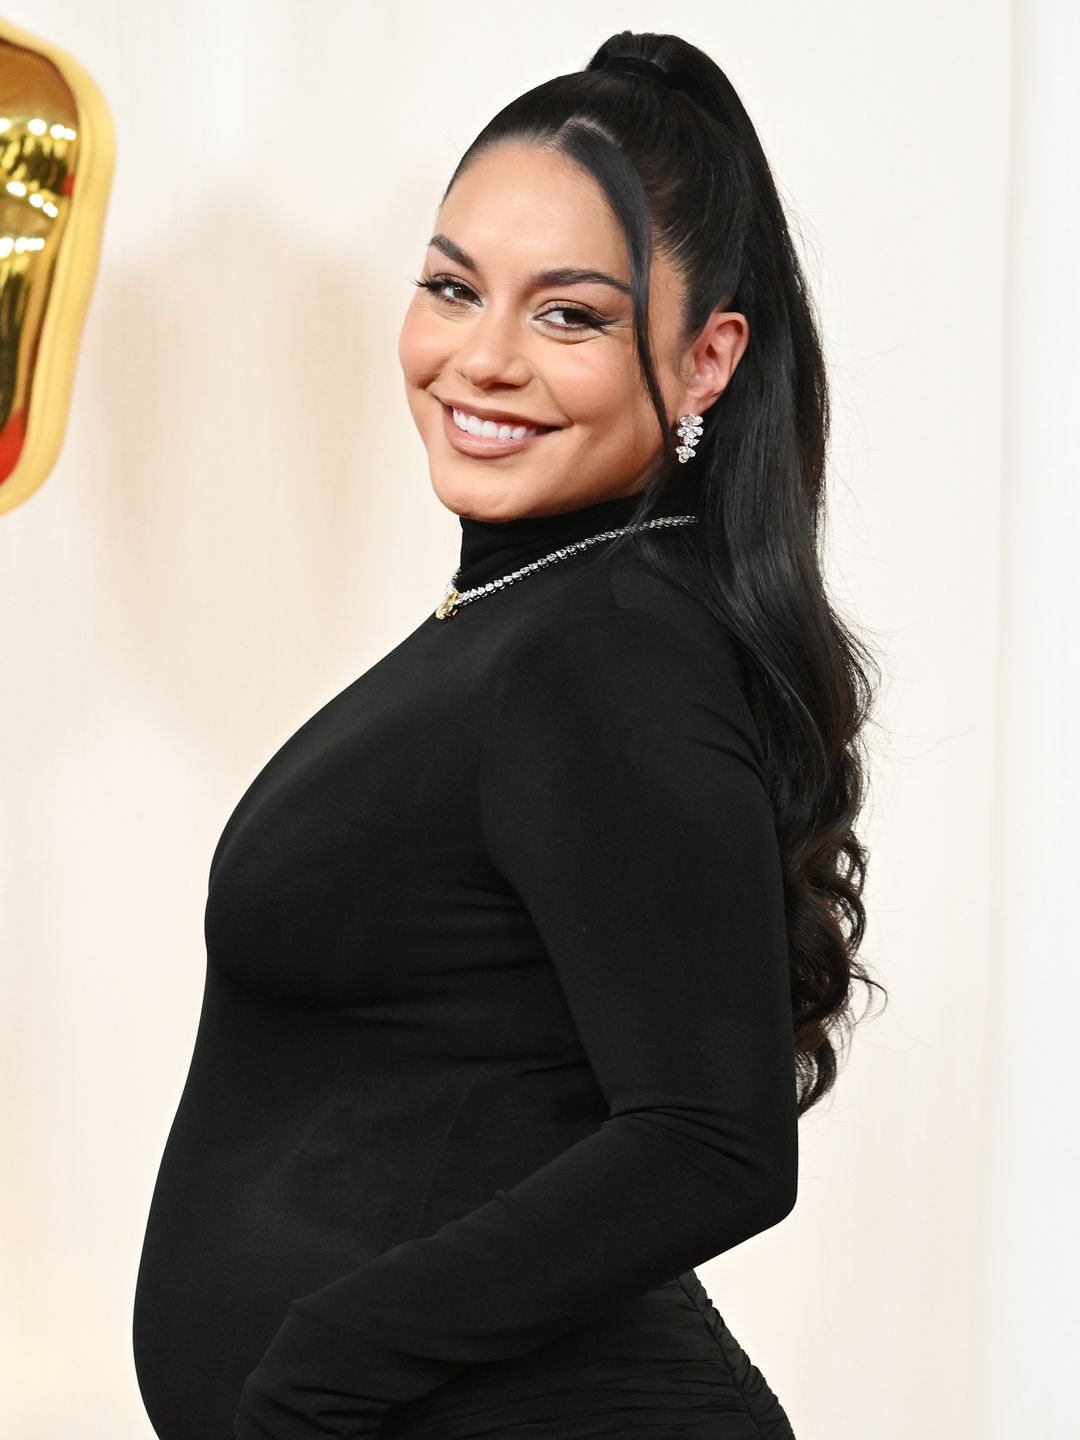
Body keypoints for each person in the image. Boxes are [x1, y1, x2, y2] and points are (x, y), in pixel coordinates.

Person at [132, 28, 882, 1440]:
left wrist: (326, 1362)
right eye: (451, 287)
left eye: (571, 316)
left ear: (707, 356)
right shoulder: (529, 619)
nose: (481, 359)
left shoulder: (608, 647)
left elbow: (715, 1142)